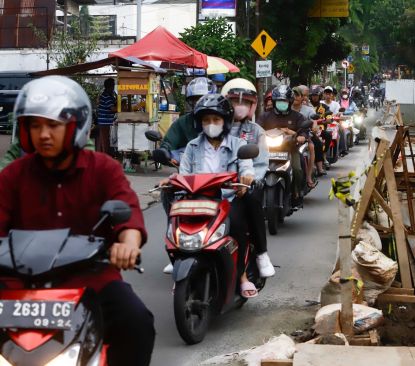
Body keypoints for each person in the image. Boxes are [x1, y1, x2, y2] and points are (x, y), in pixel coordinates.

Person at [0, 76, 155, 366]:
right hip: (17, 285)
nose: (44, 134)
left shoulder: (103, 169)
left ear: (75, 126)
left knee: (136, 322)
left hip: (90, 281)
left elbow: (128, 211)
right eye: (36, 126)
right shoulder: (13, 176)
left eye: (53, 125)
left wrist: (128, 244)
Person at [163, 94, 259, 298]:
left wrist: (247, 177)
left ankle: (241, 277)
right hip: (196, 199)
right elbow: (184, 173)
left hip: (227, 199)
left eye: (215, 120)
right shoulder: (192, 146)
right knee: (174, 227)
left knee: (239, 227)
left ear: (225, 121)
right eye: (206, 120)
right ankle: (181, 273)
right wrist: (172, 180)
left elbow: (247, 167)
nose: (210, 124)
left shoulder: (237, 144)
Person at [222, 77, 275, 278]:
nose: (240, 106)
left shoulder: (256, 132)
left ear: (253, 105)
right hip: (216, 186)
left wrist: (251, 179)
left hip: (244, 187)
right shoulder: (216, 128)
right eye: (235, 101)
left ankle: (261, 253)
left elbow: (261, 164)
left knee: (251, 202)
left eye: (245, 102)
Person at [257, 85, 310, 207]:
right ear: (274, 102)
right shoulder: (265, 116)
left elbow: (303, 130)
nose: (282, 103)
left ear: (290, 102)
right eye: (279, 101)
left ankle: (297, 192)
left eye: (284, 101)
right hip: (267, 150)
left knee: (297, 168)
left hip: (290, 149)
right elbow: (257, 129)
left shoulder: (297, 116)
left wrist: (301, 136)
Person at [160, 77, 217, 165]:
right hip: (189, 169)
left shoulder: (225, 122)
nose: (199, 103)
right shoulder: (183, 122)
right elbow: (169, 143)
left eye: (204, 99)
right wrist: (164, 152)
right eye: (195, 100)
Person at [291, 86, 318, 188]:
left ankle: (308, 176)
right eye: (293, 95)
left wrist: (314, 126)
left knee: (311, 147)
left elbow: (314, 122)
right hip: (287, 139)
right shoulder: (286, 110)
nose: (295, 97)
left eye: (297, 95)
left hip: (304, 137)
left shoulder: (308, 110)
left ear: (302, 97)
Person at [308, 86, 331, 176]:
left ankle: (324, 157)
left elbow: (329, 118)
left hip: (319, 129)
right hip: (307, 130)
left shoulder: (324, 107)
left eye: (316, 95)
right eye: (313, 95)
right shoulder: (307, 106)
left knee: (328, 135)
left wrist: (326, 119)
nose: (314, 97)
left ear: (320, 96)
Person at [322, 86, 348, 157]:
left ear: (332, 95)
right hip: (322, 123)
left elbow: (338, 114)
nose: (328, 95)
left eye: (329, 93)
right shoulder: (320, 103)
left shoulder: (336, 104)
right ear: (323, 94)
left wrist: (338, 116)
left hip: (333, 123)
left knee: (342, 129)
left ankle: (343, 149)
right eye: (326, 93)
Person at [95, 78, 117, 155]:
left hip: (107, 122)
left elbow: (114, 104)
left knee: (104, 141)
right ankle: (104, 158)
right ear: (110, 86)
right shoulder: (106, 96)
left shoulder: (110, 95)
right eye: (113, 85)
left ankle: (103, 157)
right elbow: (113, 108)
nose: (114, 87)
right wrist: (121, 108)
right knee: (105, 142)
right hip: (105, 123)